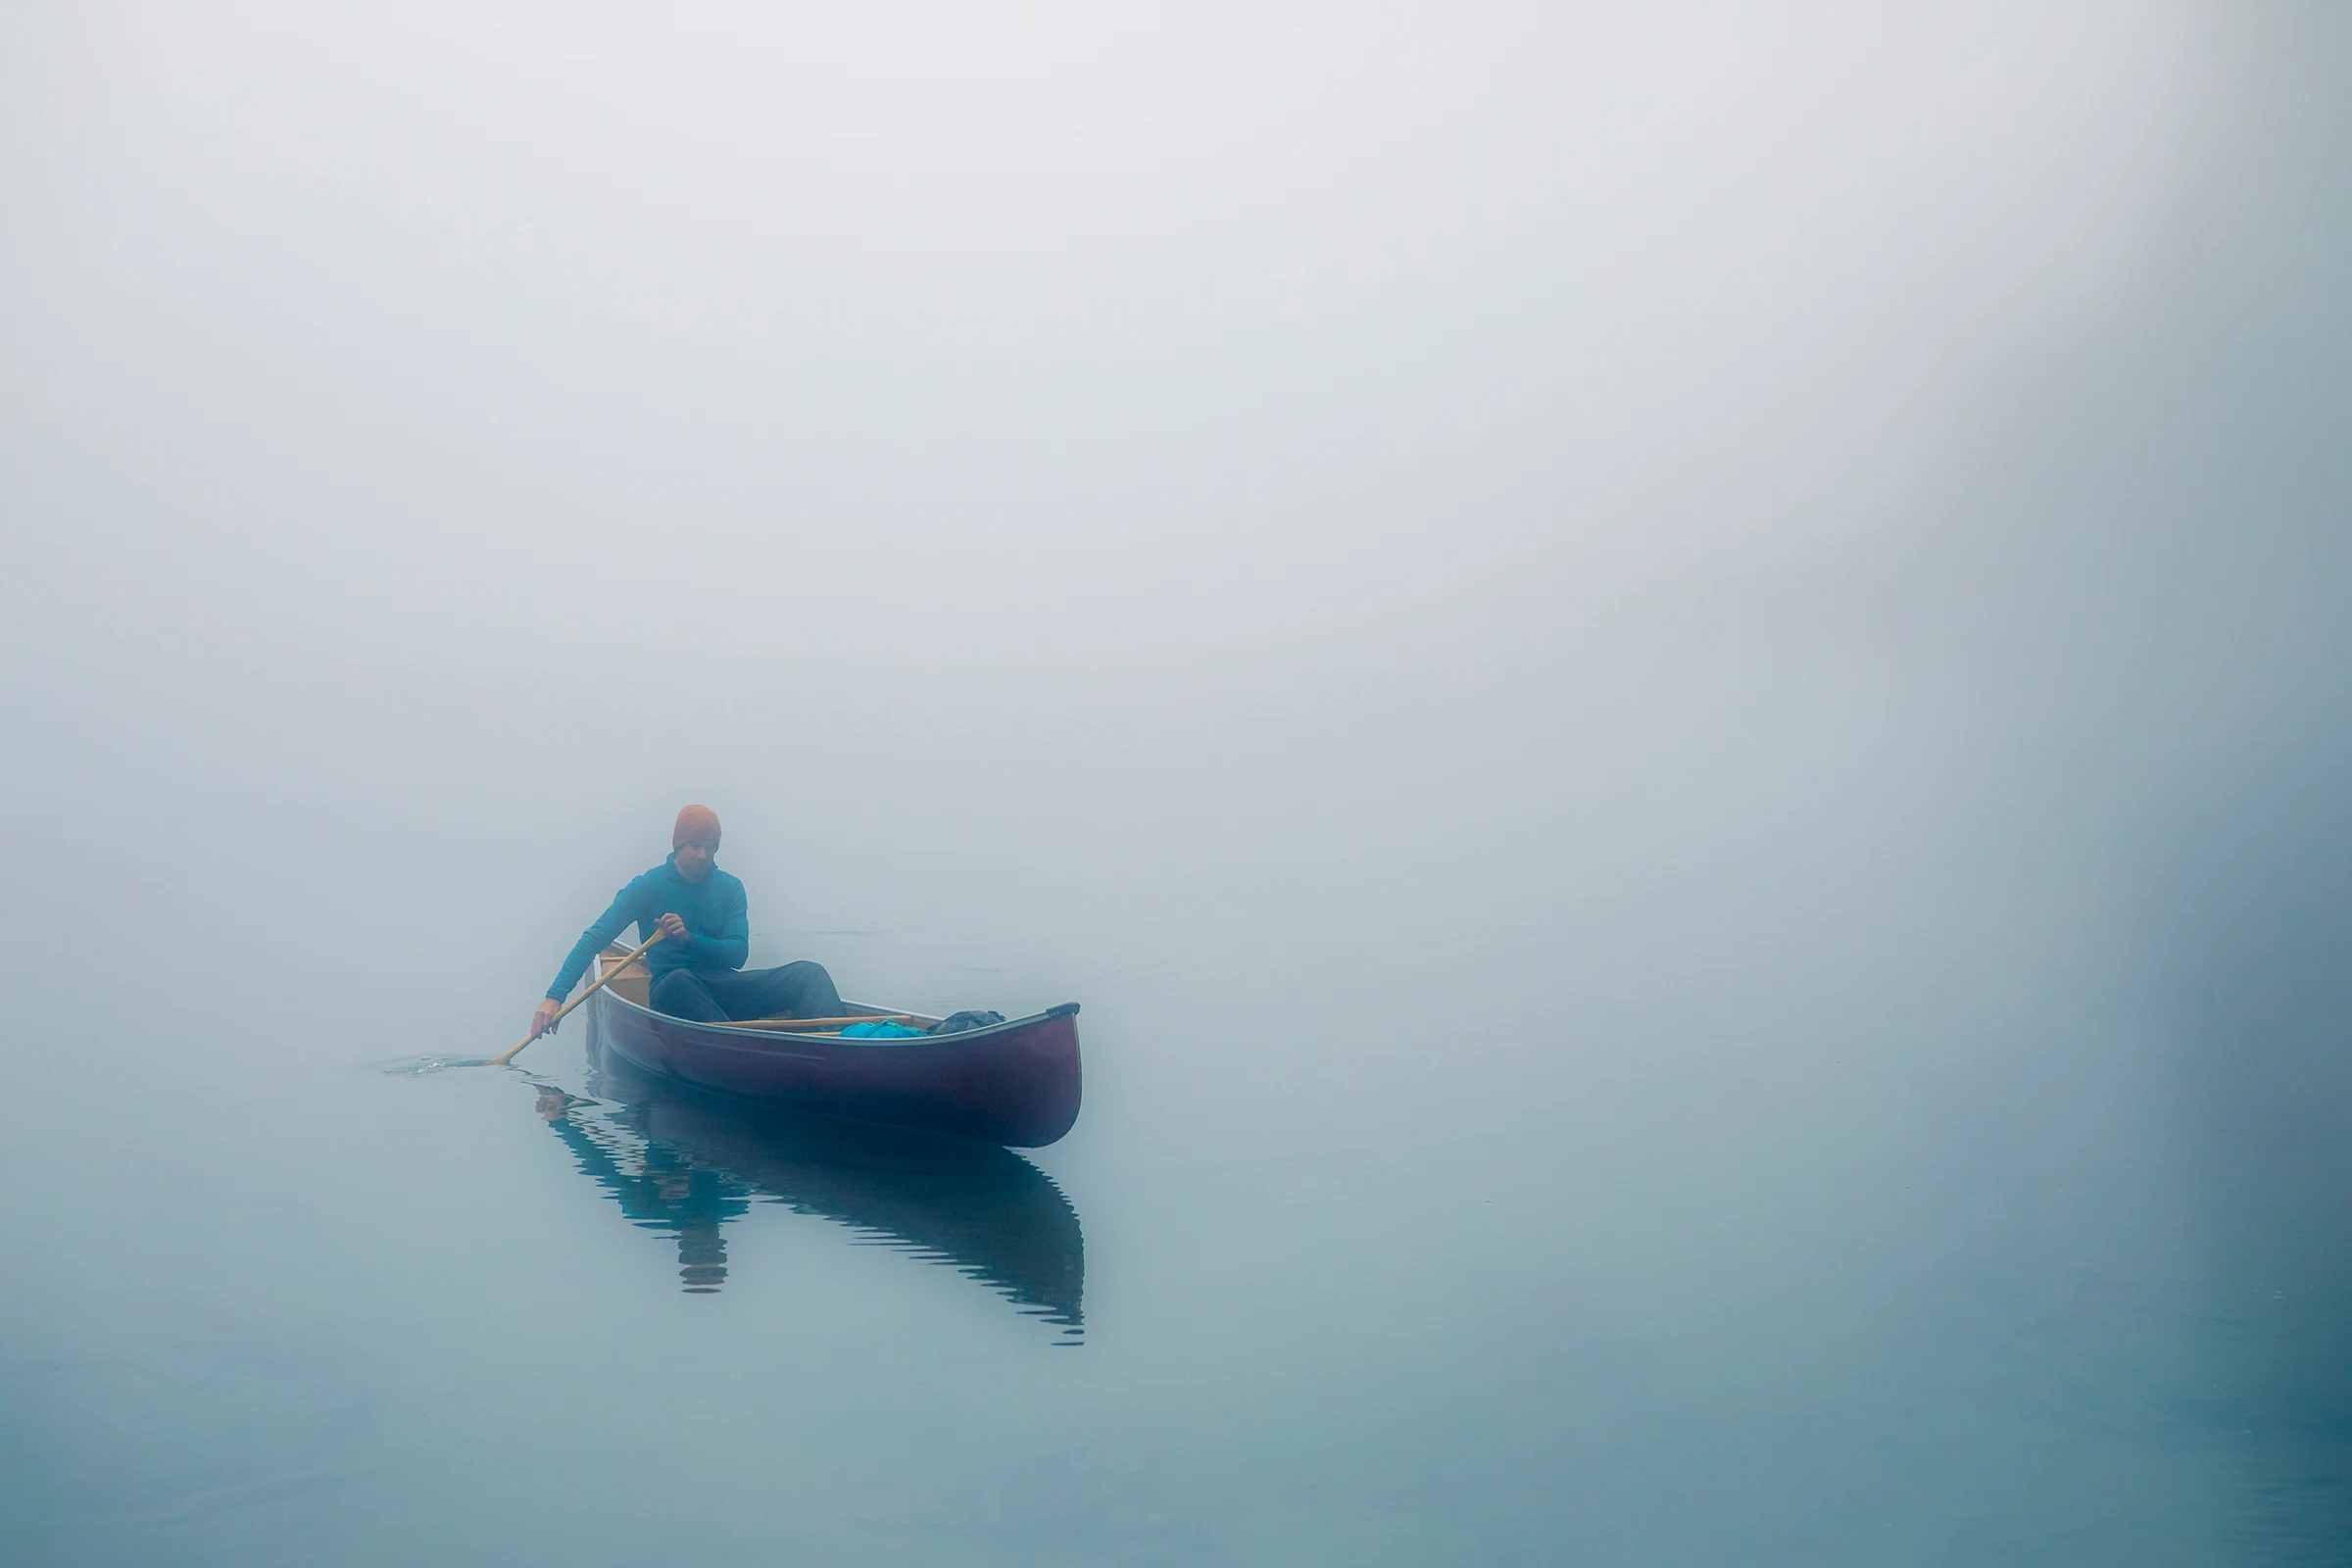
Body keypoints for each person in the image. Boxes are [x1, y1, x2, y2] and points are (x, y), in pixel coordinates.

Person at [528, 805, 843, 1040]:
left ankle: (837, 1048)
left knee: (809, 974)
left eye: (710, 847)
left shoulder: (730, 887)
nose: (703, 855)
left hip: (722, 989)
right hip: (673, 993)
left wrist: (689, 939)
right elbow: (595, 938)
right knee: (679, 980)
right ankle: (740, 1044)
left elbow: (737, 954)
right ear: (678, 846)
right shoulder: (647, 887)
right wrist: (554, 997)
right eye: (695, 846)